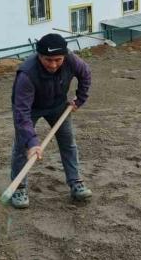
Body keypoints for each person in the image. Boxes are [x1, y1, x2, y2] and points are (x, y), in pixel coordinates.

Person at [9, 33, 92, 209]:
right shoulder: (27, 73)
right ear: (39, 56)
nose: (53, 65)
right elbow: (22, 113)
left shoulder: (72, 60)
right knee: (22, 146)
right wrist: (32, 142)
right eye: (48, 60)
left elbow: (85, 74)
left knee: (68, 142)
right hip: (30, 109)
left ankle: (75, 181)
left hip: (58, 105)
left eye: (58, 60)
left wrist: (80, 99)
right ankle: (18, 187)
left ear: (64, 56)